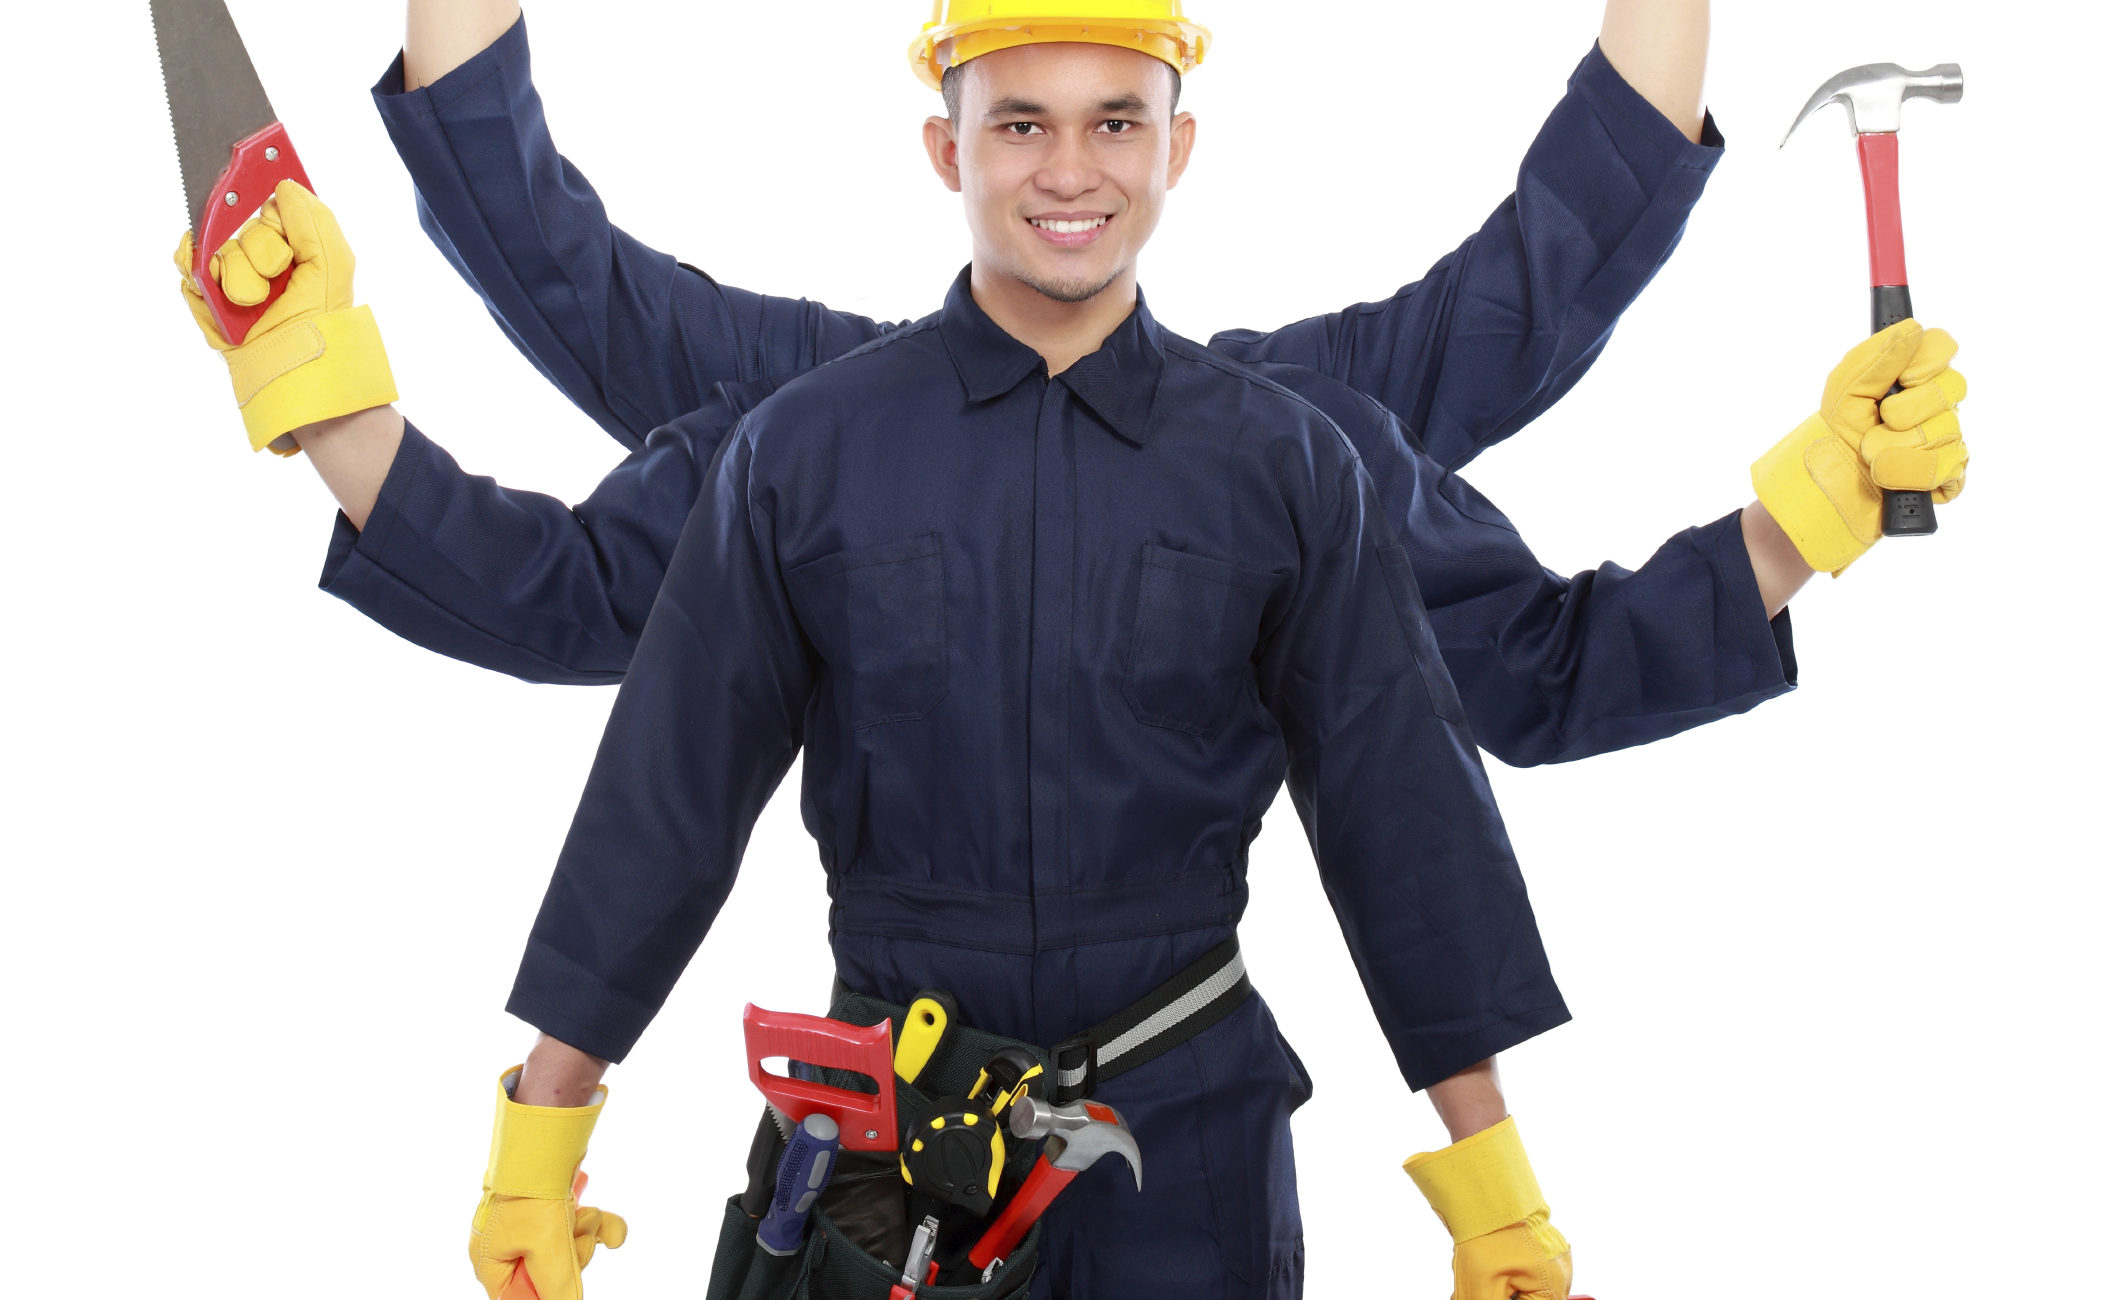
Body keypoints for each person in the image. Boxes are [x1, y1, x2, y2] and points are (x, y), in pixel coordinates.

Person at [172, 5, 1970, 1299]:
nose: (1069, 171)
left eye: (1116, 121)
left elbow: (1466, 738)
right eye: (1019, 123)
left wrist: (1812, 506)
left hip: (1191, 1147)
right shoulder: (806, 442)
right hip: (880, 1152)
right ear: (946, 143)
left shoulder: (1293, 452)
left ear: (1179, 143)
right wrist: (313, 382)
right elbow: (637, 726)